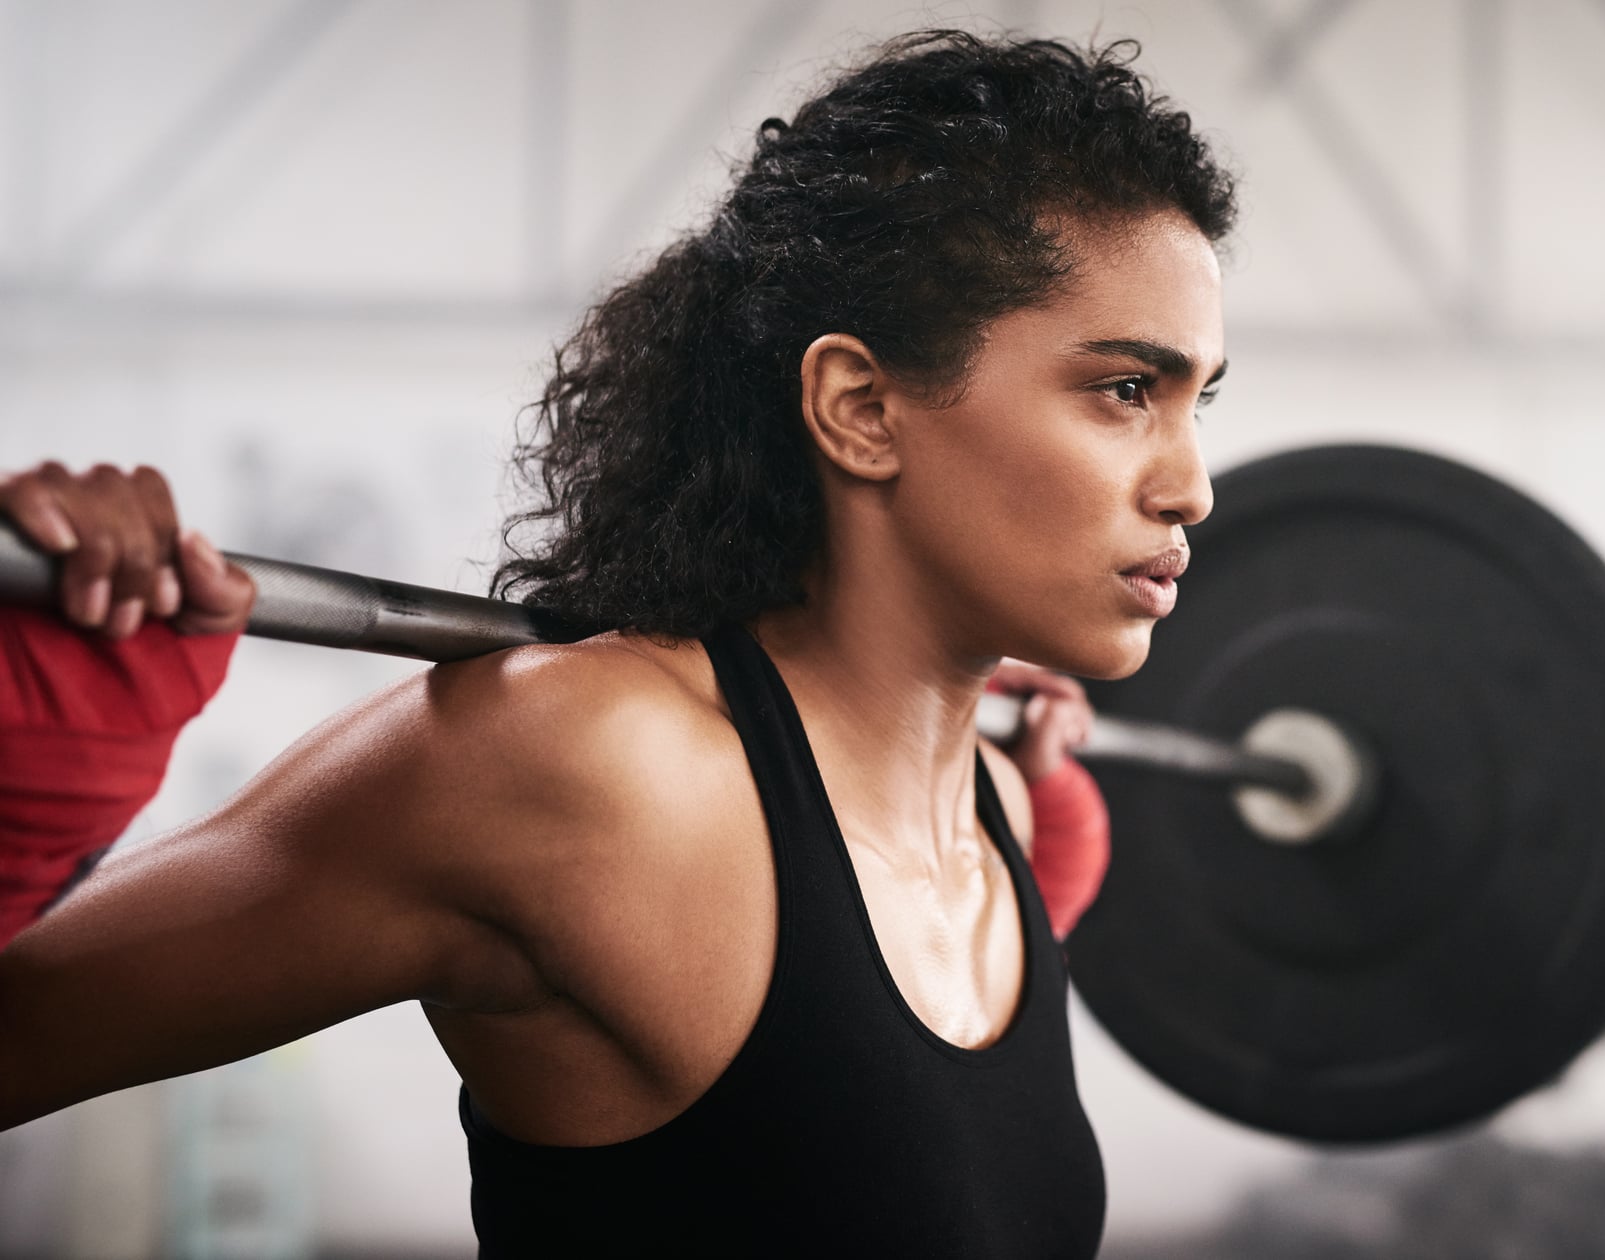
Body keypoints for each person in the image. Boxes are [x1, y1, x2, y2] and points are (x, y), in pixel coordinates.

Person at [0, 28, 1232, 1257]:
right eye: (1126, 390)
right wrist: (32, 783)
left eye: (1195, 402)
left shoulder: (995, 814)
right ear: (859, 410)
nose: (1193, 488)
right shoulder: (586, 763)